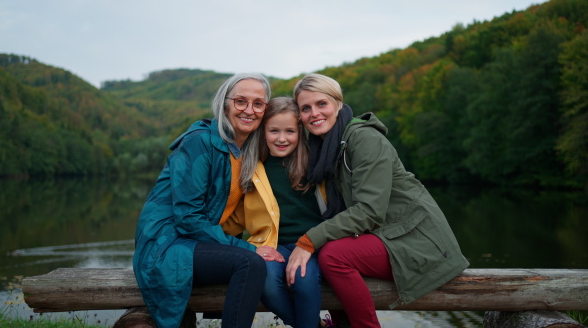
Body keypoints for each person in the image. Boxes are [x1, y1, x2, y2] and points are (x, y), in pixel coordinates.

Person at [286, 73, 470, 328]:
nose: (314, 113)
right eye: (305, 108)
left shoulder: (364, 139)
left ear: (338, 103)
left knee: (332, 256)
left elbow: (369, 211)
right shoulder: (325, 148)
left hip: (417, 240)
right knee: (322, 254)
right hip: (387, 234)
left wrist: (308, 241)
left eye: (321, 104)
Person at [133, 73, 283, 328]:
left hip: (192, 241)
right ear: (225, 104)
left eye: (258, 103)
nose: (249, 110)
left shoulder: (246, 151)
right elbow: (188, 219)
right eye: (240, 101)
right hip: (166, 244)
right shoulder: (199, 142)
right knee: (249, 262)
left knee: (253, 263)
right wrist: (249, 248)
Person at [223, 97, 327, 328]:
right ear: (262, 132)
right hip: (270, 245)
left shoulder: (314, 163)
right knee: (266, 281)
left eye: (290, 131)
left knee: (303, 280)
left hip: (311, 244)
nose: (282, 138)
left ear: (300, 132)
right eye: (274, 131)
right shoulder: (252, 168)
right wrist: (213, 235)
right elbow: (237, 215)